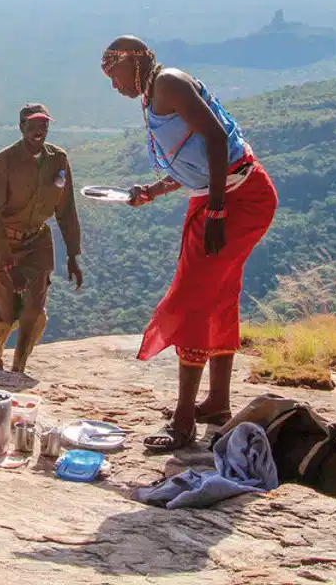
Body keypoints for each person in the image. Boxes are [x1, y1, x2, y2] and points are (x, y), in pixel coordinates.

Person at [101, 36, 278, 452]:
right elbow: (193, 159)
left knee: (191, 298)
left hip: (239, 199)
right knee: (218, 294)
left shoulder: (169, 83)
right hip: (217, 196)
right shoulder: (153, 94)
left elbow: (216, 140)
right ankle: (217, 403)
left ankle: (183, 421)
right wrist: (153, 191)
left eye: (114, 73)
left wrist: (216, 212)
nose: (113, 85)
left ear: (133, 62)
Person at [0, 103, 84, 373]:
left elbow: (66, 208)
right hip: (2, 242)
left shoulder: (58, 159)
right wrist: (8, 264)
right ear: (21, 127)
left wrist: (73, 254)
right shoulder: (4, 161)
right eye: (33, 125)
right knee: (5, 313)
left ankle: (19, 368)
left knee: (34, 310)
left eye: (44, 124)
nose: (39, 130)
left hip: (37, 241)